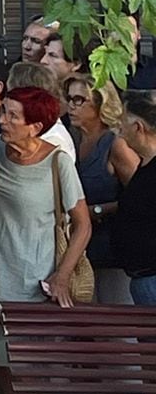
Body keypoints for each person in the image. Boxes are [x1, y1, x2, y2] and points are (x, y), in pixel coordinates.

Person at [0, 83, 91, 394]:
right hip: (0, 278)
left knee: (40, 371)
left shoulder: (57, 162)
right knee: (6, 368)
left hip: (38, 281)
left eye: (13, 116)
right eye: (5, 112)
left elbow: (82, 226)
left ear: (37, 125)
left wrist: (61, 277)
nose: (3, 120)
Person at [64, 70, 140, 301]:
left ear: (100, 104)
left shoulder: (115, 145)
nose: (71, 106)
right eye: (68, 98)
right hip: (76, 250)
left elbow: (140, 196)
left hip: (111, 249)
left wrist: (96, 210)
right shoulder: (70, 139)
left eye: (79, 100)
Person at [110, 91, 156, 305]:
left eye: (123, 122)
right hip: (141, 276)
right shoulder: (144, 166)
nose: (119, 129)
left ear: (138, 127)